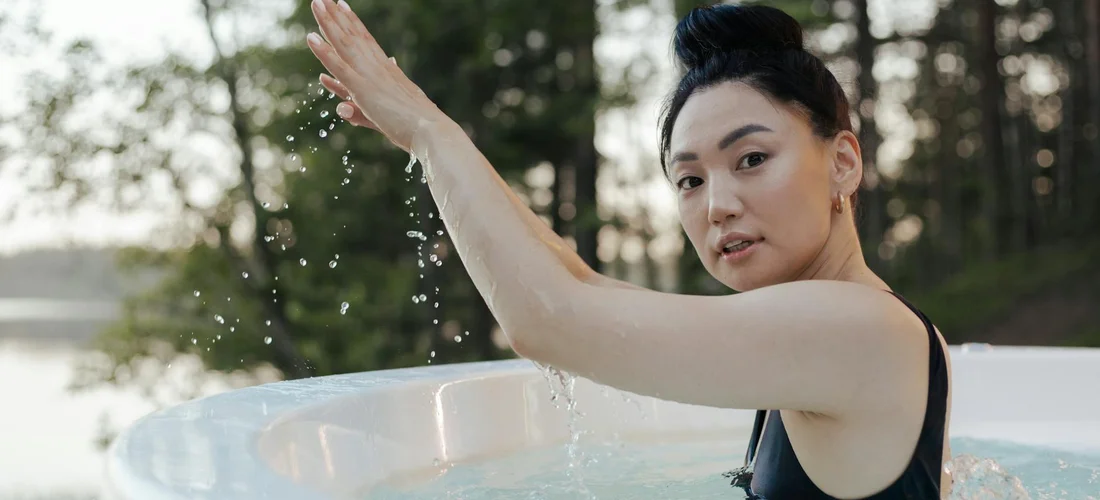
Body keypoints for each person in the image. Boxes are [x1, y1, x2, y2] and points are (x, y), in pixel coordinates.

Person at [305, 0, 952, 498]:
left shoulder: (859, 329)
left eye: (751, 158)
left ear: (843, 162)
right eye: (690, 179)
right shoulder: (841, 325)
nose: (717, 204)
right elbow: (579, 279)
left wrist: (429, 135)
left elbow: (551, 318)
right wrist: (440, 139)